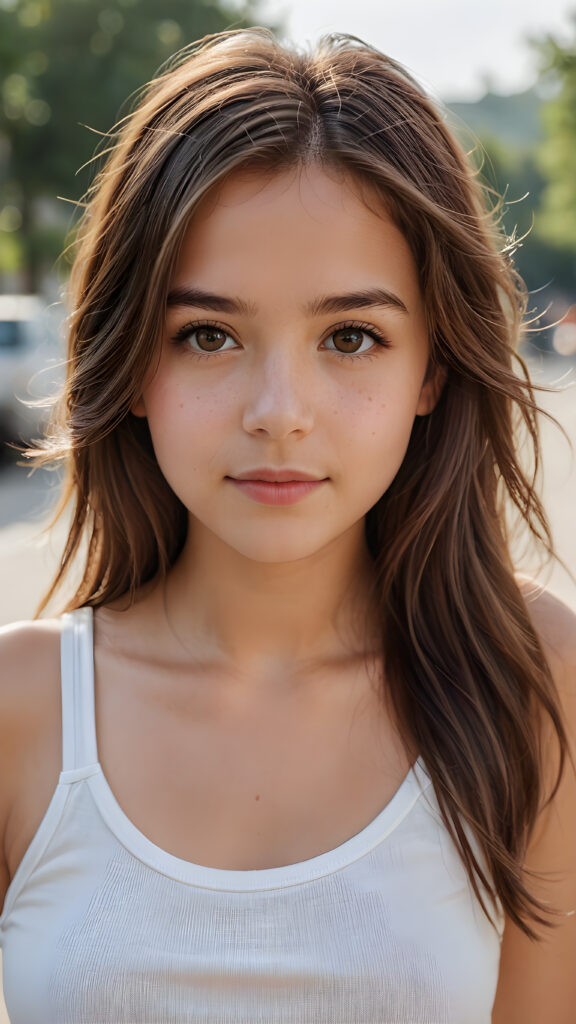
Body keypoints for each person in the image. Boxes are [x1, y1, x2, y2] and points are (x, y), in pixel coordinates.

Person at [0, 26, 574, 1024]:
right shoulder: (21, 711)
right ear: (135, 363)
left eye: (351, 337)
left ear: (431, 369)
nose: (280, 409)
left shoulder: (532, 680)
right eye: (208, 335)